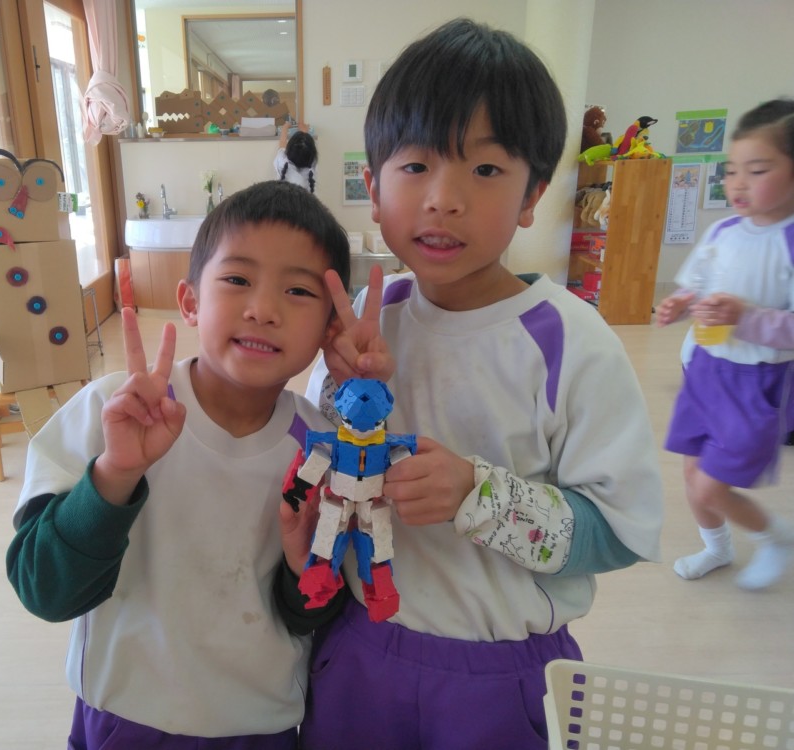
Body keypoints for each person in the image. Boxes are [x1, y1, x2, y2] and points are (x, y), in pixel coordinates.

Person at [292, 18, 663, 749]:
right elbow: (317, 463)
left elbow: (617, 532)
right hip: (362, 651)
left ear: (533, 196)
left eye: (486, 170)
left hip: (503, 675)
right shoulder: (370, 318)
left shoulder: (571, 340)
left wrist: (480, 496)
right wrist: (339, 392)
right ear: (373, 188)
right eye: (415, 165)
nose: (444, 198)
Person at [5, 180, 354, 750]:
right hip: (123, 717)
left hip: (258, 728)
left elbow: (311, 616)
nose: (263, 310)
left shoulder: (323, 450)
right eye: (237, 280)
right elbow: (44, 589)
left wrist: (302, 569)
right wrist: (114, 476)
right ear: (190, 301)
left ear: (328, 328)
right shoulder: (111, 411)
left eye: (297, 290)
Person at [656, 98, 794, 591]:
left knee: (712, 485)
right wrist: (680, 305)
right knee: (693, 476)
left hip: (756, 381)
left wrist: (746, 316)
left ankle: (776, 536)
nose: (737, 183)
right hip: (704, 371)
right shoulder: (723, 230)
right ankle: (716, 548)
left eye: (757, 170)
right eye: (731, 170)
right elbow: (698, 287)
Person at [275, 121, 317, 193]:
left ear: (288, 151)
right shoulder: (312, 166)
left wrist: (285, 127)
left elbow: (282, 144)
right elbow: (307, 149)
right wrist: (304, 132)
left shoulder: (282, 162)